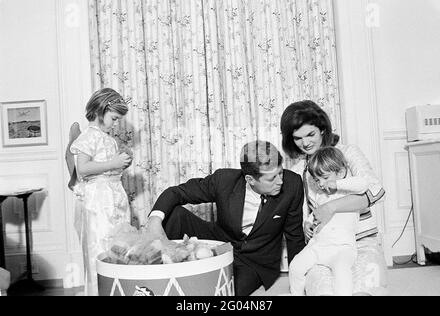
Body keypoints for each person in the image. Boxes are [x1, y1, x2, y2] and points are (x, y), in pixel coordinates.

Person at [145, 140, 305, 296]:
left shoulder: (293, 184)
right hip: (222, 241)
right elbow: (177, 192)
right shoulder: (224, 180)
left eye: (281, 173)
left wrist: (298, 282)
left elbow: (294, 236)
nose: (280, 181)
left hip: (255, 261)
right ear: (250, 179)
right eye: (272, 178)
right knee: (174, 214)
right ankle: (162, 274)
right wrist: (154, 221)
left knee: (225, 291)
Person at [281, 100, 387, 296]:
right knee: (323, 290)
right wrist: (307, 225)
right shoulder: (299, 171)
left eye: (310, 134)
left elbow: (376, 191)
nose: (305, 143)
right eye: (298, 138)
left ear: (322, 129)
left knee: (364, 290)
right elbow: (306, 212)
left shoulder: (348, 153)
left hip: (362, 241)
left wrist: (331, 207)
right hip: (322, 246)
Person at [70, 88, 132, 296]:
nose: (115, 124)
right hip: (99, 198)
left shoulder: (108, 138)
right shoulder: (89, 136)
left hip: (114, 194)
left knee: (119, 244)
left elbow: (105, 166)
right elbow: (83, 169)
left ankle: (118, 289)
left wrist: (120, 164)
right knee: (100, 245)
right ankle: (101, 291)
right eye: (114, 119)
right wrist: (113, 163)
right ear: (100, 110)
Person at [289, 147, 371, 296]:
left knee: (342, 272)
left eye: (325, 178)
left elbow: (363, 184)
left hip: (342, 249)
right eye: (317, 180)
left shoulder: (350, 191)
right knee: (295, 266)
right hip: (318, 246)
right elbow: (316, 212)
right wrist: (307, 223)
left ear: (340, 172)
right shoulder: (322, 195)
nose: (320, 184)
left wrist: (338, 184)